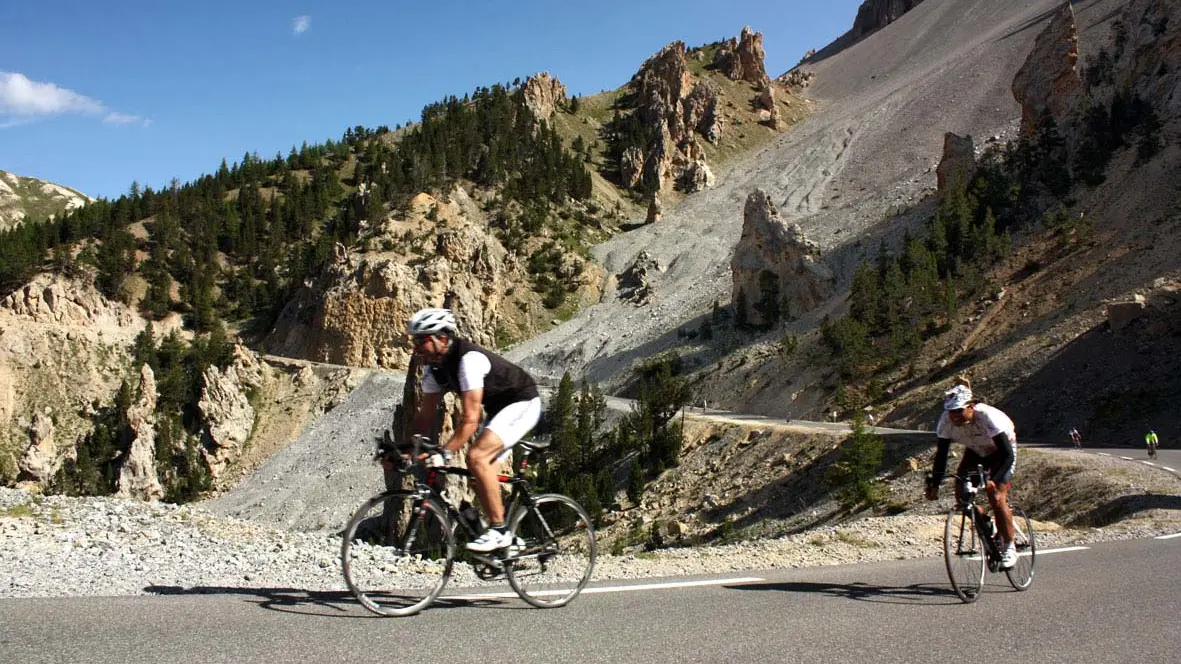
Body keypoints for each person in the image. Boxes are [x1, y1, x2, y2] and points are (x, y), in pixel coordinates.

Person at [406, 308, 543, 553]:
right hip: (500, 409)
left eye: (421, 340)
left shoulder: (468, 360)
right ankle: (509, 540)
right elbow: (424, 417)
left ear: (442, 338)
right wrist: (407, 448)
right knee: (477, 474)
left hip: (523, 402)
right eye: (414, 341)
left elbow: (470, 419)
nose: (416, 347)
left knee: (476, 457)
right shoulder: (433, 370)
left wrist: (445, 452)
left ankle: (500, 531)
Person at [925, 382, 1019, 569]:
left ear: (971, 406)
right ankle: (985, 522)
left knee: (997, 497)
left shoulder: (987, 417)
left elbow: (1007, 455)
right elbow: (941, 456)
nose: (954, 416)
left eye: (959, 411)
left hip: (1000, 452)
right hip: (976, 451)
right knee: (963, 497)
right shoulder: (945, 421)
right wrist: (935, 484)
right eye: (951, 411)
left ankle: (1009, 547)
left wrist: (994, 480)